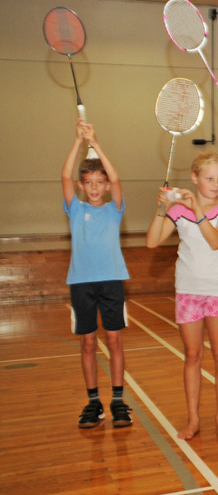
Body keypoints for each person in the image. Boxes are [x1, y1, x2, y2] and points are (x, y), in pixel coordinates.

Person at [146, 152, 218, 440]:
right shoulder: (178, 211)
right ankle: (193, 420)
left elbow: (215, 241)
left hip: (216, 291)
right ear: (194, 178)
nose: (216, 184)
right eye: (209, 178)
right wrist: (162, 208)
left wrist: (197, 209)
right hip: (188, 291)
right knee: (192, 355)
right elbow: (152, 242)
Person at [62, 120, 132, 429]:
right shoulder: (75, 209)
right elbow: (64, 175)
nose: (94, 187)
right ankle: (93, 403)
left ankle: (117, 401)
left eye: (99, 182)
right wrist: (79, 140)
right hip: (81, 284)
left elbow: (116, 178)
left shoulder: (114, 210)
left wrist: (96, 143)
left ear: (105, 186)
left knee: (114, 340)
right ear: (81, 185)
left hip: (111, 281)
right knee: (88, 343)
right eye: (88, 182)